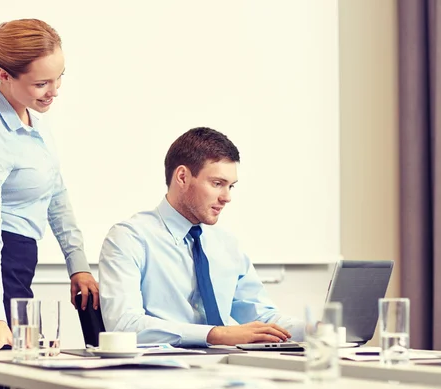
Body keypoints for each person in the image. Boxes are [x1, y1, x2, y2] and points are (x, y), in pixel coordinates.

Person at [0, 19, 99, 355]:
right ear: (4, 75)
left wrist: (78, 265)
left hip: (18, 260)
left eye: (60, 77)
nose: (55, 90)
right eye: (42, 83)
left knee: (24, 367)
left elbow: (56, 194)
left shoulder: (34, 120)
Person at [99, 127, 304, 346]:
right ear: (182, 177)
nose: (227, 198)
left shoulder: (227, 244)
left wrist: (321, 329)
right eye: (217, 184)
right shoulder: (129, 238)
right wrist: (215, 335)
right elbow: (124, 326)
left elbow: (262, 318)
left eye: (231, 186)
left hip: (228, 368)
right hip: (161, 371)